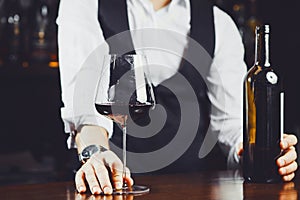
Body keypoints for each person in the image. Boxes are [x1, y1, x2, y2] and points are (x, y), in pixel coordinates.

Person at [56, 0, 298, 195]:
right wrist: (96, 153)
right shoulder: (85, 5)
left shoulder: (218, 22)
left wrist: (256, 152)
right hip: (112, 191)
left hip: (195, 191)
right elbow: (87, 111)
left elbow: (231, 126)